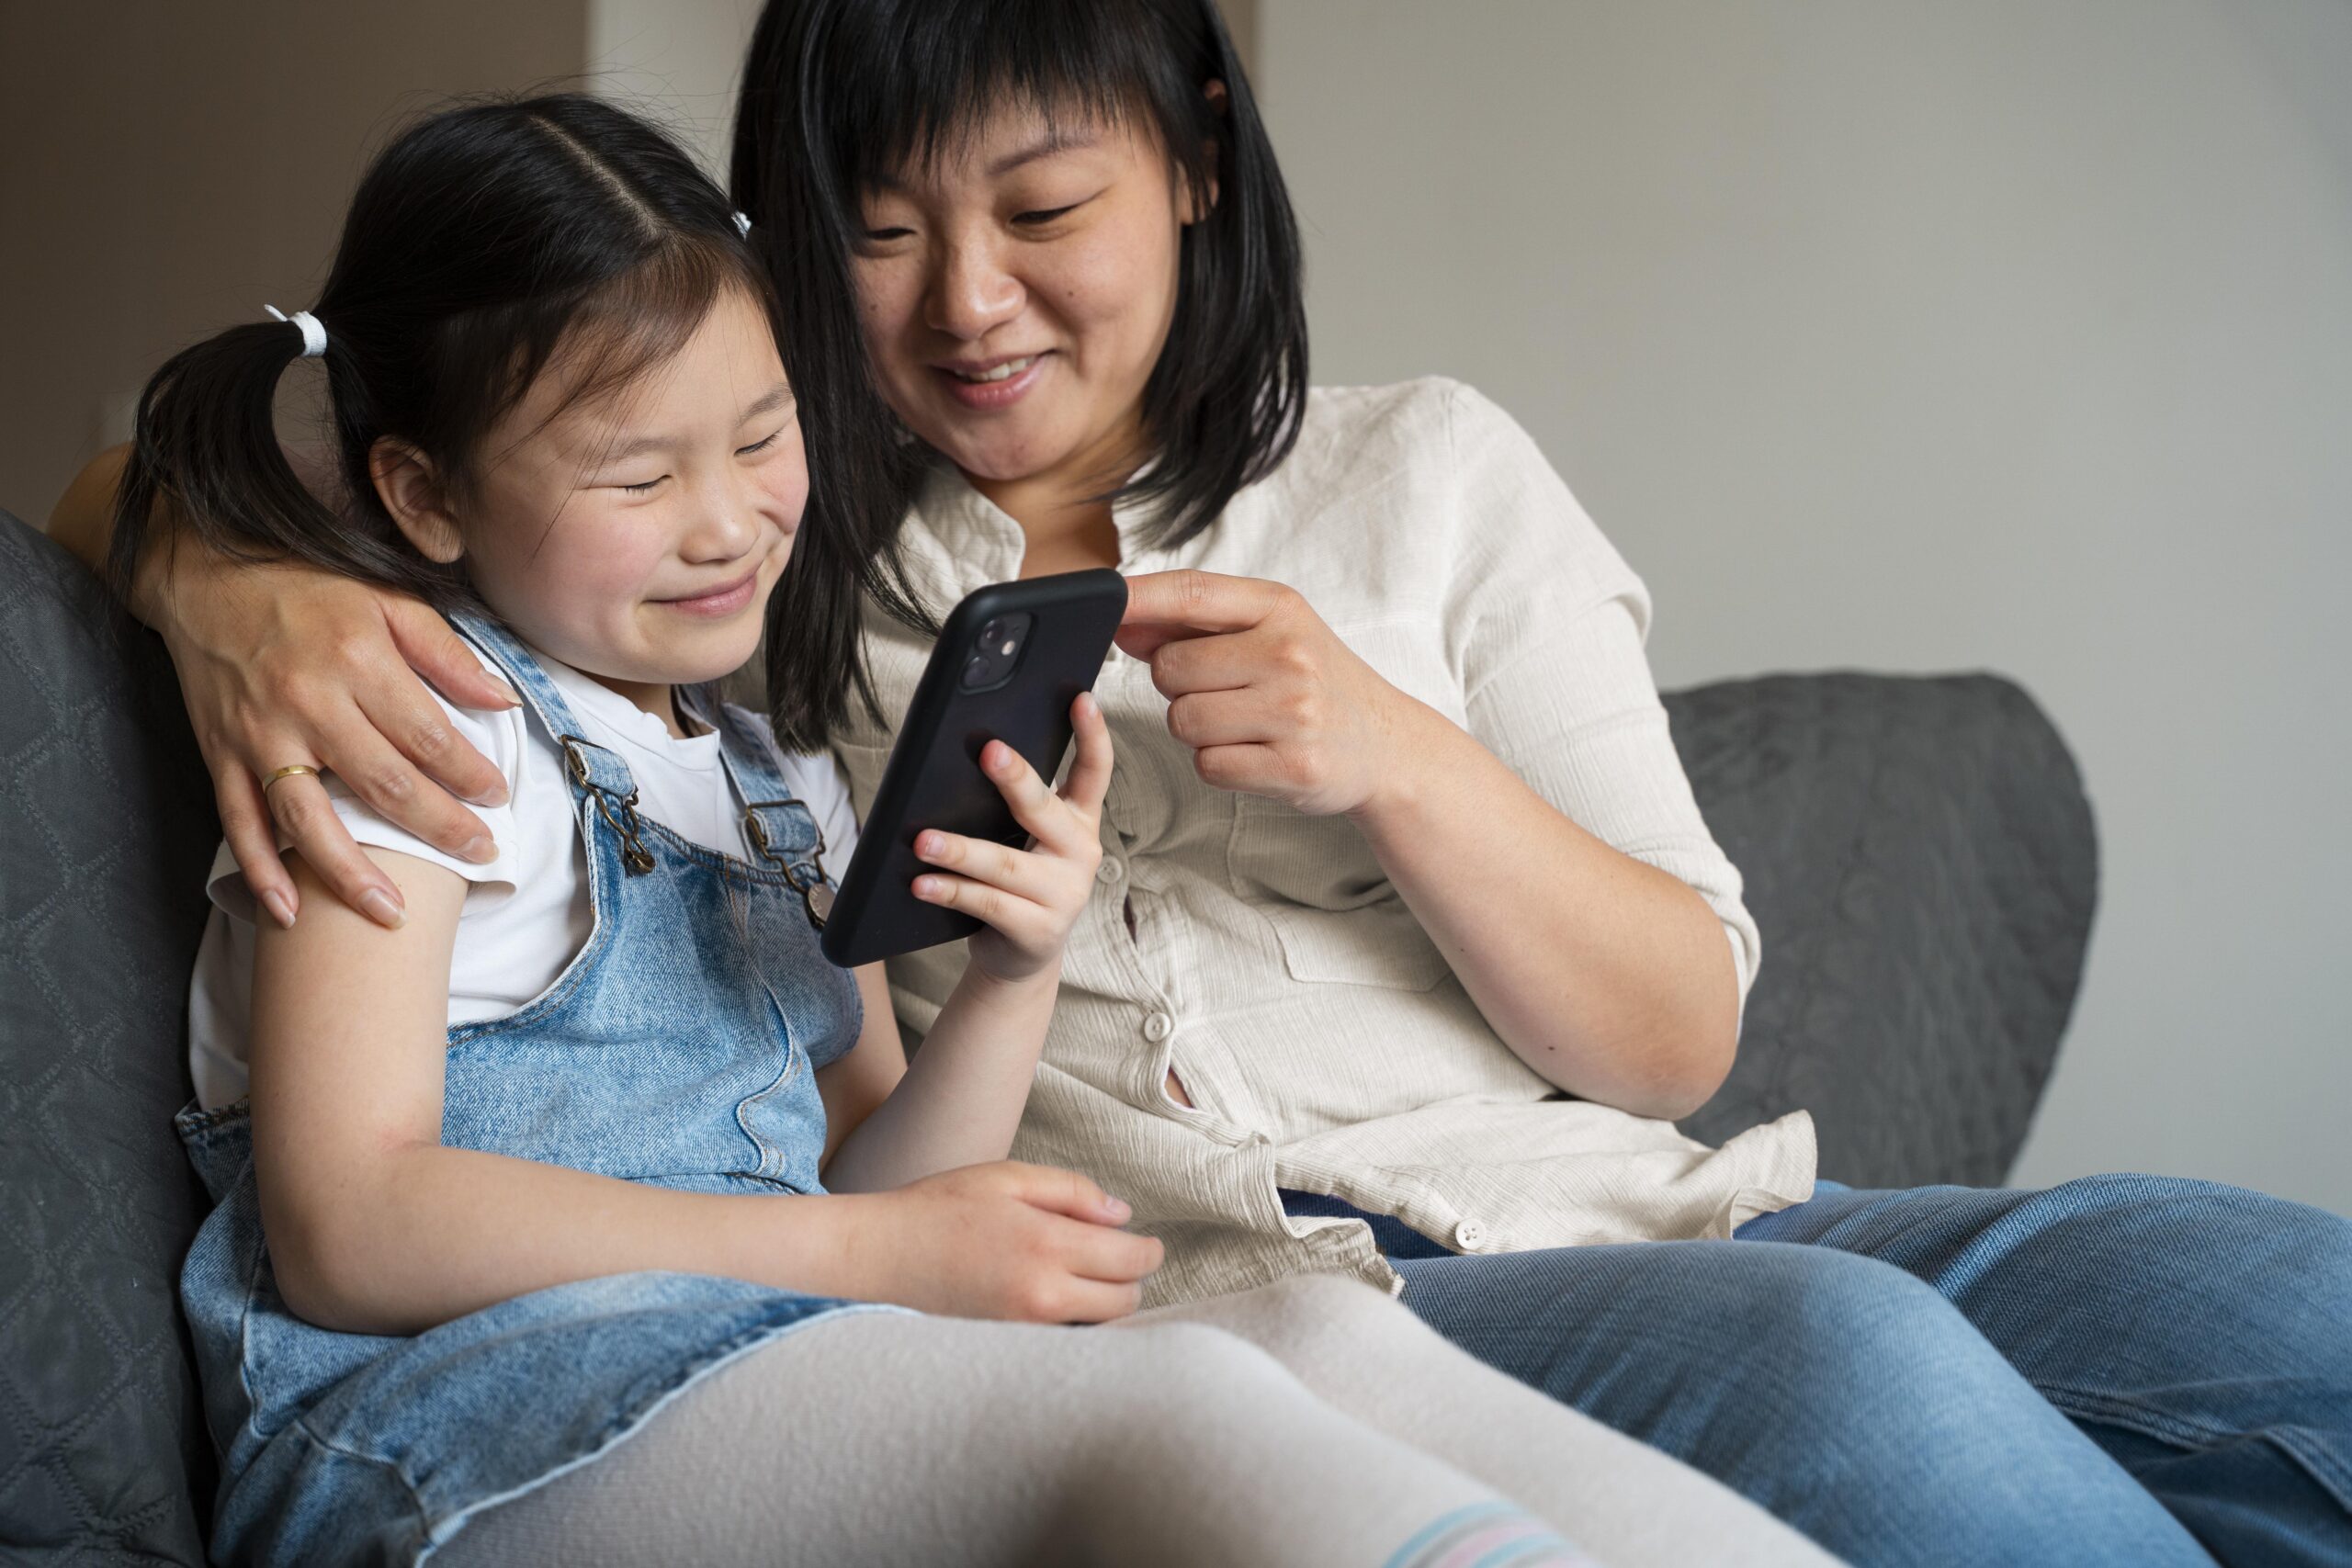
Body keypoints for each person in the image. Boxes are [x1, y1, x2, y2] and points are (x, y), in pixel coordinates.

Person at [51, 3, 2351, 1564]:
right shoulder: (719, 593)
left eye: (1040, 208)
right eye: (876, 227)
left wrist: (1385, 765)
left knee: (2277, 1321)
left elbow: (1669, 1034)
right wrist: (233, 578)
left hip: (1649, 1207)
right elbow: (204, 479)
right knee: (1849, 1374)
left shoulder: (1404, 478)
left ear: (1193, 160)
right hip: (1216, 1293)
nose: (965, 301)